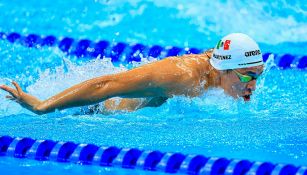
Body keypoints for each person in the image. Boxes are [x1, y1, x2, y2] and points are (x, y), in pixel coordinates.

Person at [0, 33, 264, 115]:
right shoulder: (182, 76)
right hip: (97, 111)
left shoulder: (222, 73)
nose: (253, 84)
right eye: (247, 76)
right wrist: (43, 106)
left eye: (258, 76)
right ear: (223, 69)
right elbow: (108, 84)